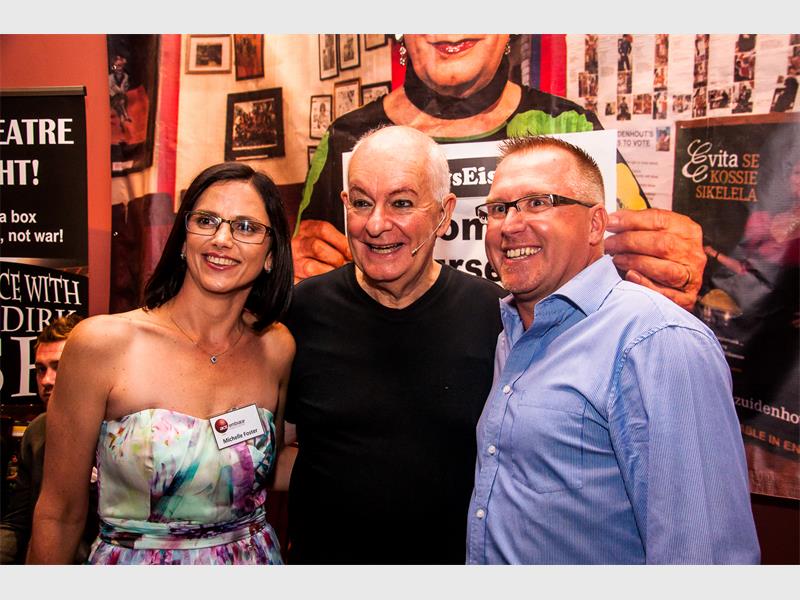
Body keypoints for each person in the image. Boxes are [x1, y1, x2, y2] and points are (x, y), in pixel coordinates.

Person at [466, 135, 760, 564]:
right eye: (498, 208)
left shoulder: (659, 341)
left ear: (595, 224)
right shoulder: (511, 335)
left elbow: (706, 559)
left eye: (537, 203)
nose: (510, 225)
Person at [293, 34, 705, 311]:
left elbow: (635, 273)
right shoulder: (347, 139)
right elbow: (305, 280)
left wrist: (669, 273)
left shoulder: (570, 126)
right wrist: (288, 271)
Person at [27, 162, 295, 565]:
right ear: (183, 239)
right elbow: (59, 514)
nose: (222, 239)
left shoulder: (276, 348)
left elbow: (270, 468)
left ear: (271, 254)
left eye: (246, 227)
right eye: (206, 221)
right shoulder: (102, 345)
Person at [284, 126, 506, 564]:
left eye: (401, 203)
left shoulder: (494, 316)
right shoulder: (301, 311)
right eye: (361, 202)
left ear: (444, 213)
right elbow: (270, 450)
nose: (376, 224)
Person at [0, 314, 97, 564]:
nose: (46, 381)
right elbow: (17, 523)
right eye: (41, 369)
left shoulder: (119, 434)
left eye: (58, 367)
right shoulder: (37, 432)